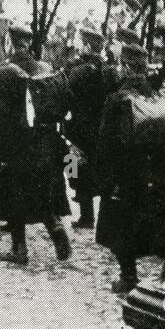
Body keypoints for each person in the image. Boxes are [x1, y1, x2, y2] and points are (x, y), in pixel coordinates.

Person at [95, 34, 165, 293]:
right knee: (159, 220)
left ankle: (129, 276)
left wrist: (104, 177)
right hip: (153, 174)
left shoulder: (118, 98)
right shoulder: (155, 95)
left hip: (125, 176)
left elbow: (105, 142)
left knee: (120, 226)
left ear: (126, 66)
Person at [0, 24, 72, 264]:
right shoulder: (44, 67)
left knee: (13, 193)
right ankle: (55, 228)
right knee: (41, 191)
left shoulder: (4, 72)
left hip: (16, 145)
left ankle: (19, 249)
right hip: (45, 142)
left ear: (10, 42)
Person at [63, 27, 112, 229]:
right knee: (94, 168)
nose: (76, 44)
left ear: (88, 46)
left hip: (78, 127)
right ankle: (93, 214)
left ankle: (85, 214)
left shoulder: (77, 70)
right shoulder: (107, 70)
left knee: (74, 167)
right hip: (100, 126)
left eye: (80, 41)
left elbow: (66, 94)